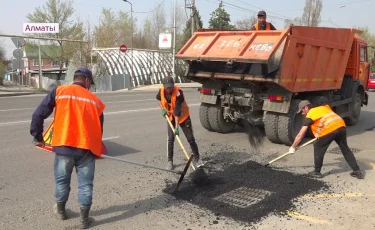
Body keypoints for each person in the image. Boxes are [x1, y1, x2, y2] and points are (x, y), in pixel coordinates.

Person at [30, 67, 105, 229]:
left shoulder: (59, 91)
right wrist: (98, 151)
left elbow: (38, 114)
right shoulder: (94, 100)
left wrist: (38, 136)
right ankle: (84, 220)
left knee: (62, 181)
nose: (90, 86)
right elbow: (99, 130)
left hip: (63, 146)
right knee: (85, 185)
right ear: (86, 80)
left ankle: (61, 212)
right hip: (86, 150)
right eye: (90, 82)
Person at [289, 100, 364, 179]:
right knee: (345, 149)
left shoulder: (310, 114)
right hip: (341, 127)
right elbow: (324, 121)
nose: (302, 113)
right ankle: (357, 170)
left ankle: (317, 172)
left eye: (302, 110)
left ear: (306, 107)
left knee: (318, 146)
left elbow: (300, 135)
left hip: (329, 129)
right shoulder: (323, 108)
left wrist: (293, 147)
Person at [156, 77, 204, 170]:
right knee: (170, 139)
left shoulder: (178, 93)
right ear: (164, 86)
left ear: (173, 86)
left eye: (170, 87)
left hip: (183, 117)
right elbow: (158, 99)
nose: (169, 89)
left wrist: (176, 128)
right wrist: (162, 109)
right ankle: (170, 161)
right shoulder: (161, 90)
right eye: (167, 87)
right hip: (171, 117)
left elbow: (177, 112)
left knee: (190, 139)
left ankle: (197, 158)